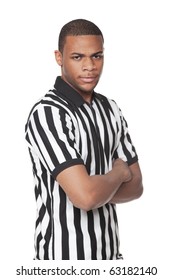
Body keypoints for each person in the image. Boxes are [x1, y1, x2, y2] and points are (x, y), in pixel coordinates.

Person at [25, 19, 143, 260]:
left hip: (111, 259)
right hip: (62, 262)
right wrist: (118, 174)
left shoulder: (111, 109)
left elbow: (136, 187)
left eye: (97, 56)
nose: (89, 66)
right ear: (59, 57)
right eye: (78, 57)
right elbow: (85, 197)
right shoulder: (49, 113)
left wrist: (92, 188)